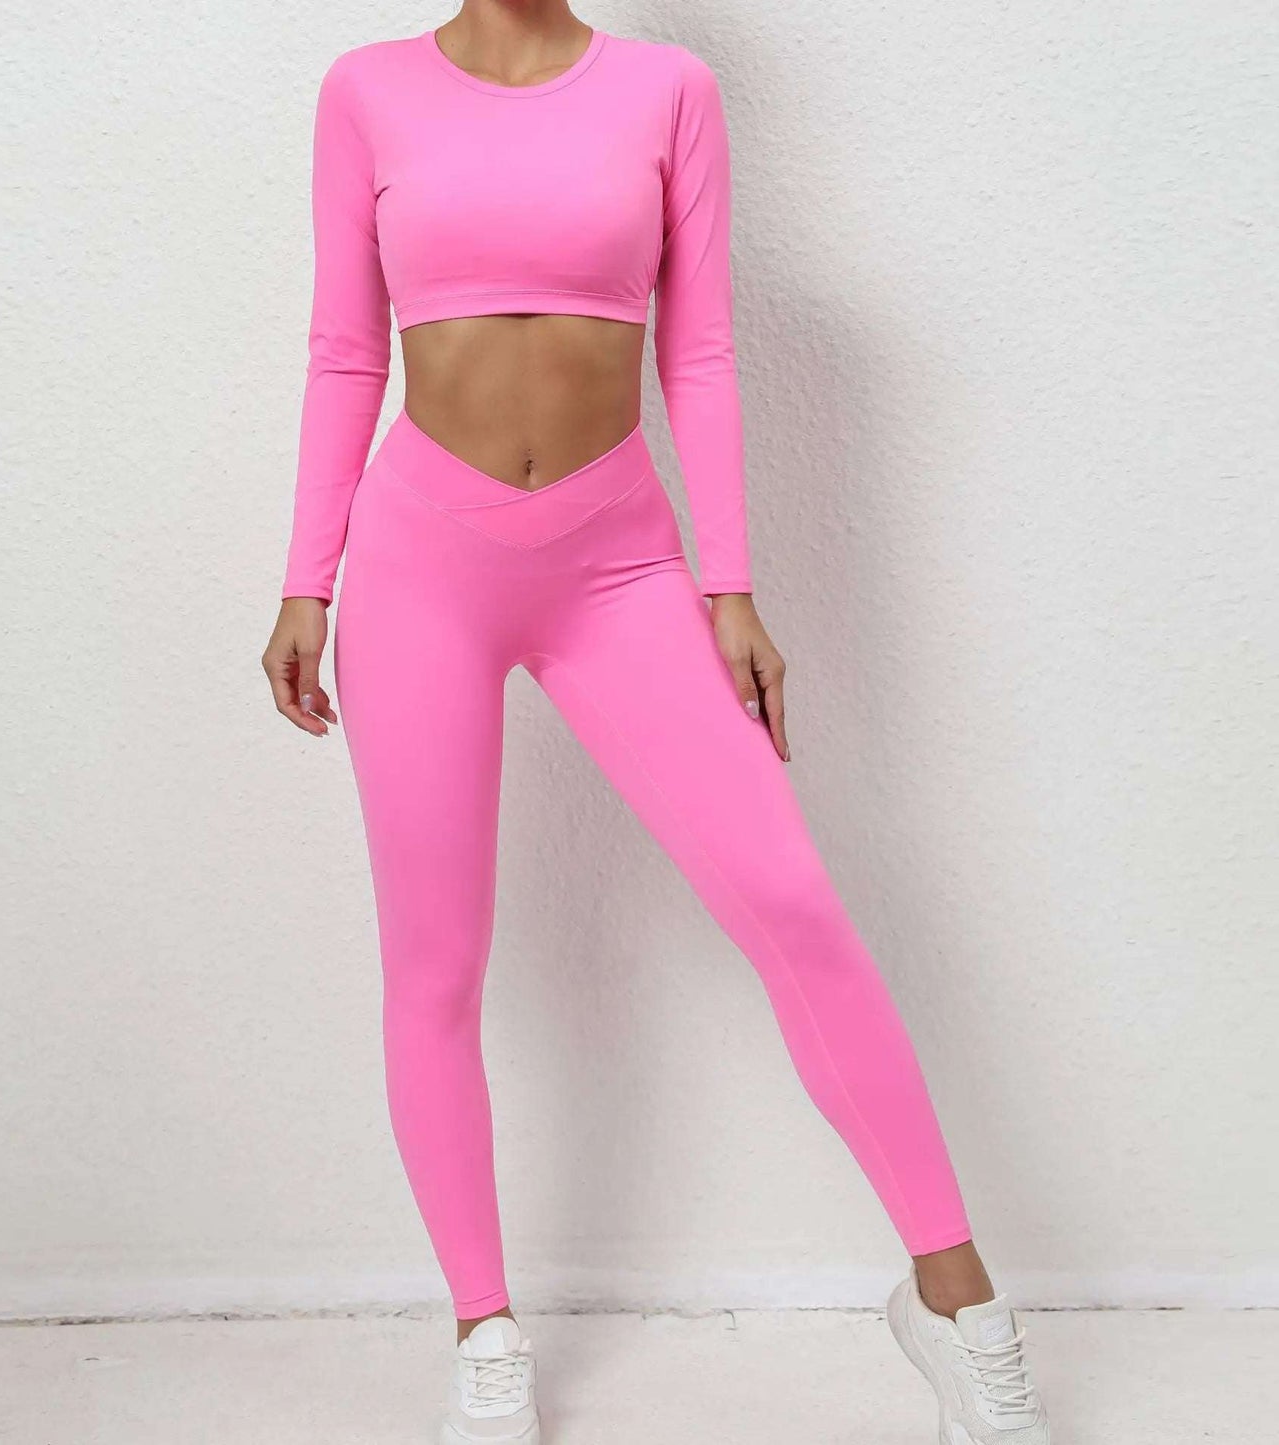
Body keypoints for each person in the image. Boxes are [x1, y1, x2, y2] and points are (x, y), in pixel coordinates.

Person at [261, 6, 1051, 1442]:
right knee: (435, 959)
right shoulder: (365, 91)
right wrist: (307, 578)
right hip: (420, 565)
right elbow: (341, 349)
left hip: (616, 563)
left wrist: (728, 585)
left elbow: (700, 350)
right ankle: (485, 1330)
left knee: (792, 901)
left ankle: (952, 1302)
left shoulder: (668, 89)